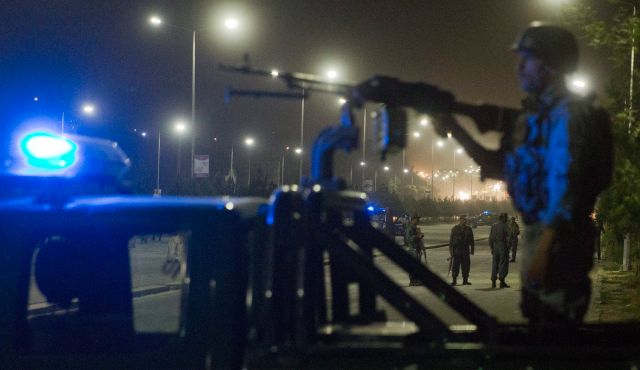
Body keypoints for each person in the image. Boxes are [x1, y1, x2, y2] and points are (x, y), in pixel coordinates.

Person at [433, 22, 613, 336]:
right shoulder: (536, 118)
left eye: (526, 60)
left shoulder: (568, 117)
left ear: (550, 66)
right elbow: (499, 166)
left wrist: (544, 250)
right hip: (541, 240)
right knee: (538, 327)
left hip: (559, 246)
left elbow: (566, 188)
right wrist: (454, 127)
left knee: (554, 337)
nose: (519, 68)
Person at [448, 215, 474, 286]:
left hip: (465, 250)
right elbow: (451, 241)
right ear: (460, 220)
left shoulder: (469, 229)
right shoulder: (455, 229)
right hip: (457, 250)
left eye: (466, 219)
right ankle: (454, 280)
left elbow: (472, 240)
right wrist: (451, 251)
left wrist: (472, 250)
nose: (465, 221)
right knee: (455, 266)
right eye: (463, 219)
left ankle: (465, 280)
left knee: (466, 266)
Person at [489, 213, 510, 288]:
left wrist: (492, 248)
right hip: (502, 246)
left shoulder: (494, 225)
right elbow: (509, 236)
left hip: (495, 247)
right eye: (506, 218)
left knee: (494, 264)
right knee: (503, 263)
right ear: (503, 218)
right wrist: (508, 247)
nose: (507, 219)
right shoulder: (504, 225)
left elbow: (490, 238)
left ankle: (493, 282)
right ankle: (502, 281)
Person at [405, 214, 425, 286]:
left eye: (418, 219)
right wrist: (417, 236)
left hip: (417, 250)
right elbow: (408, 239)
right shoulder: (409, 228)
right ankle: (412, 280)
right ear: (413, 219)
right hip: (413, 249)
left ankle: (417, 279)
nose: (418, 221)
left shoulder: (415, 228)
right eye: (417, 219)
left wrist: (420, 235)